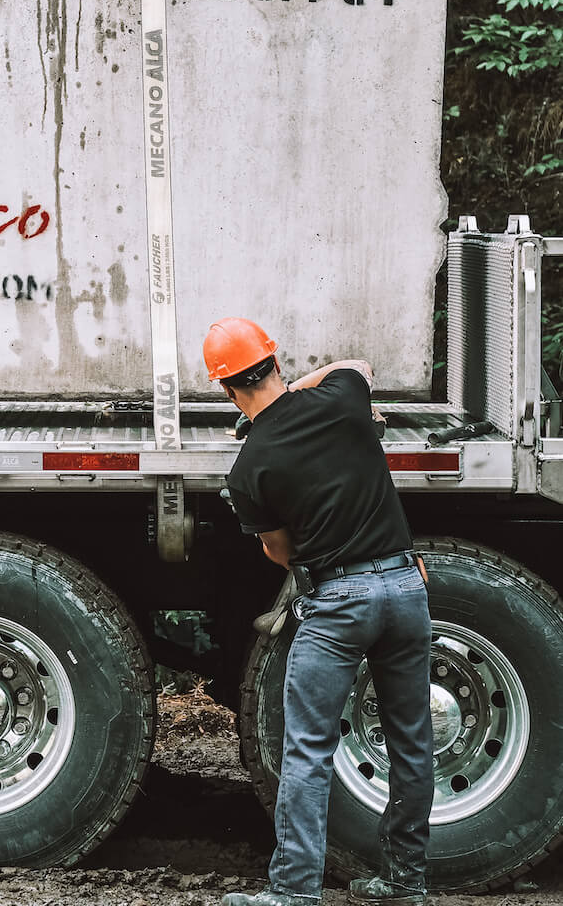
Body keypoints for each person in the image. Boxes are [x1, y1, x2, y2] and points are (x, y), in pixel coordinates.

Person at [206, 318, 433, 906]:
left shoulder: (249, 467)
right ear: (276, 363)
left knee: (308, 750)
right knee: (411, 740)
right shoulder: (342, 399)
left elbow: (280, 553)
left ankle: (293, 893)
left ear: (226, 388)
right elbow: (355, 366)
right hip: (407, 589)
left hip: (338, 605)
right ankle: (407, 882)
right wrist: (301, 391)